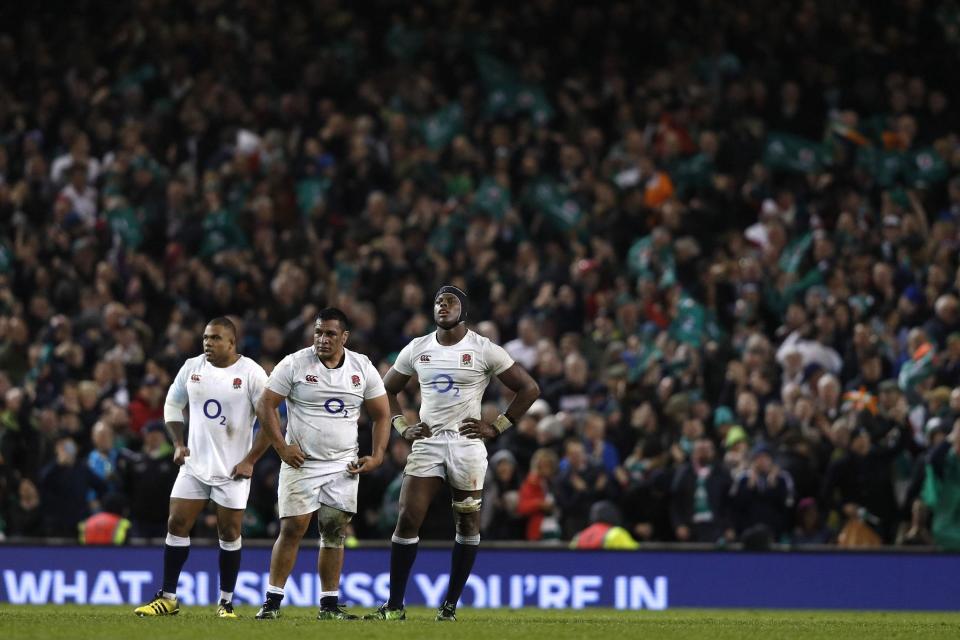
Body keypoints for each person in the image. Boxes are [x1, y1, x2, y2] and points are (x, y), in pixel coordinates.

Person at [365, 285, 540, 622]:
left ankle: (449, 606)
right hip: (428, 444)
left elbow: (529, 388)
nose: (443, 306)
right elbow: (386, 389)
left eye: (451, 301)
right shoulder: (418, 348)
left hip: (466, 446)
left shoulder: (483, 349)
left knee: (467, 521)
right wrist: (402, 427)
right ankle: (395, 606)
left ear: (464, 310)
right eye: (438, 302)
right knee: (407, 517)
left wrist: (497, 426)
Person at [254, 307, 390, 621]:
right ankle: (272, 603)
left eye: (330, 333)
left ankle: (329, 606)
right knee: (292, 529)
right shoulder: (294, 363)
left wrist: (379, 454)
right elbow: (265, 405)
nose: (322, 339)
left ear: (344, 337)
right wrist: (282, 447)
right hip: (302, 462)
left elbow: (382, 414)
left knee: (334, 531)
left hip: (343, 464)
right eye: (318, 332)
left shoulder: (361, 367)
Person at [134, 317, 269, 618]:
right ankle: (168, 597)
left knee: (230, 532)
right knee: (176, 524)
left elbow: (271, 423)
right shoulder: (192, 367)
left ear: (232, 343)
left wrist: (249, 460)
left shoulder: (251, 374)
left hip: (232, 470)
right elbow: (172, 405)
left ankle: (226, 602)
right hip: (194, 465)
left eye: (216, 338)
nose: (208, 343)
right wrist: (179, 443)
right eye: (206, 337)